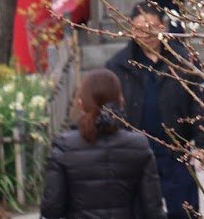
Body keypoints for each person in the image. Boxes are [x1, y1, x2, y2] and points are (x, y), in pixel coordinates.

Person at [107, 3, 204, 219]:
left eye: (152, 26)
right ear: (132, 30)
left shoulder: (184, 60)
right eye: (140, 28)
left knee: (184, 210)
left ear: (163, 26)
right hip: (135, 153)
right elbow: (110, 108)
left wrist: (201, 143)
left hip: (176, 149)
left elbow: (200, 102)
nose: (147, 33)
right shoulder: (118, 66)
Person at [40, 68, 164, 219]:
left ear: (80, 103)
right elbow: (153, 209)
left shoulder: (65, 146)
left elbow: (51, 209)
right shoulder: (139, 145)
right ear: (121, 101)